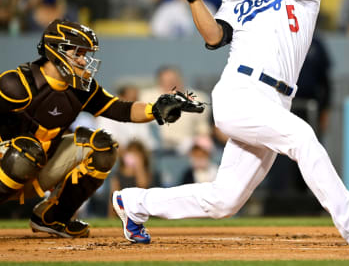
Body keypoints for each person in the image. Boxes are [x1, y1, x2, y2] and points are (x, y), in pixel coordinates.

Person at [112, 0, 349, 247]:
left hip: (276, 99)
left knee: (224, 200)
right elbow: (213, 35)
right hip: (240, 92)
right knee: (302, 137)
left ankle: (134, 203)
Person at [0, 19, 204, 238]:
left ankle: (53, 218)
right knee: (26, 150)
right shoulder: (16, 84)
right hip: (7, 163)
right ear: (56, 50)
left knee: (102, 146)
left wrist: (156, 109)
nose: (83, 60)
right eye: (77, 53)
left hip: (39, 165)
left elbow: (120, 110)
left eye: (84, 54)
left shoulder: (80, 89)